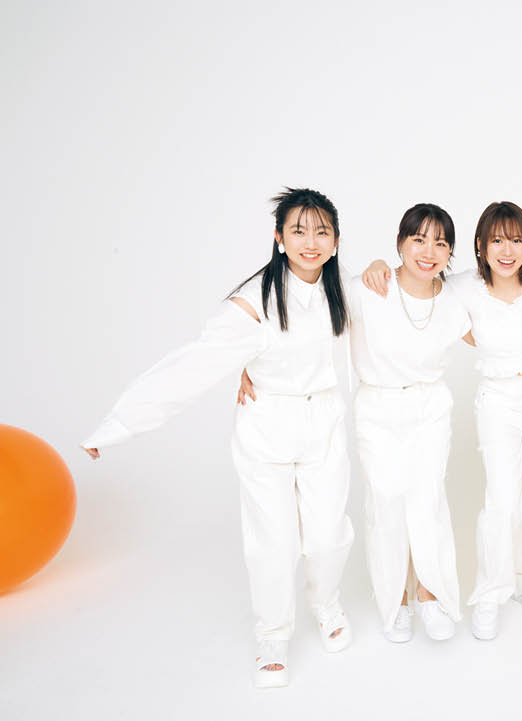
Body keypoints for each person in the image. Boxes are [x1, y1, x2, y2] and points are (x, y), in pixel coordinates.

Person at [82, 188, 354, 688]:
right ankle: (272, 635)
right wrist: (117, 426)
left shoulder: (343, 292)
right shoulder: (253, 302)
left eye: (322, 232)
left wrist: (380, 265)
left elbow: (398, 303)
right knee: (273, 542)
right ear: (279, 237)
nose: (310, 242)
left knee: (327, 535)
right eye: (298, 231)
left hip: (325, 423)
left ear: (336, 241)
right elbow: (189, 367)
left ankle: (326, 603)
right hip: (267, 427)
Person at [348, 203, 471, 643]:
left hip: (429, 406)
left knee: (426, 498)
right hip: (377, 407)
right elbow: (313, 324)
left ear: (450, 252)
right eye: (418, 240)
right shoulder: (368, 288)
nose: (428, 251)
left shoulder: (453, 299)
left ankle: (429, 593)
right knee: (386, 501)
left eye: (440, 243)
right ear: (400, 243)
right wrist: (254, 367)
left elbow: (503, 323)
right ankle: (395, 599)